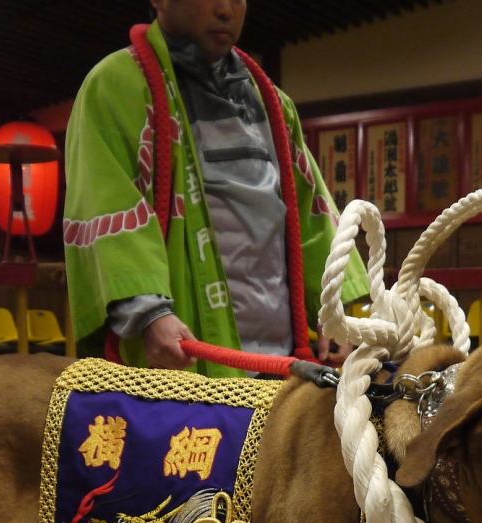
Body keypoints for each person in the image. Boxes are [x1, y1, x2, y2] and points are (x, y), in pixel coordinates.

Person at [63, 0, 368, 373]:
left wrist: (331, 309)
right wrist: (148, 313)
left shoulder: (272, 100)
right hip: (183, 348)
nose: (225, 9)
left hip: (282, 355)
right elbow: (104, 201)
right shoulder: (116, 85)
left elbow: (311, 214)